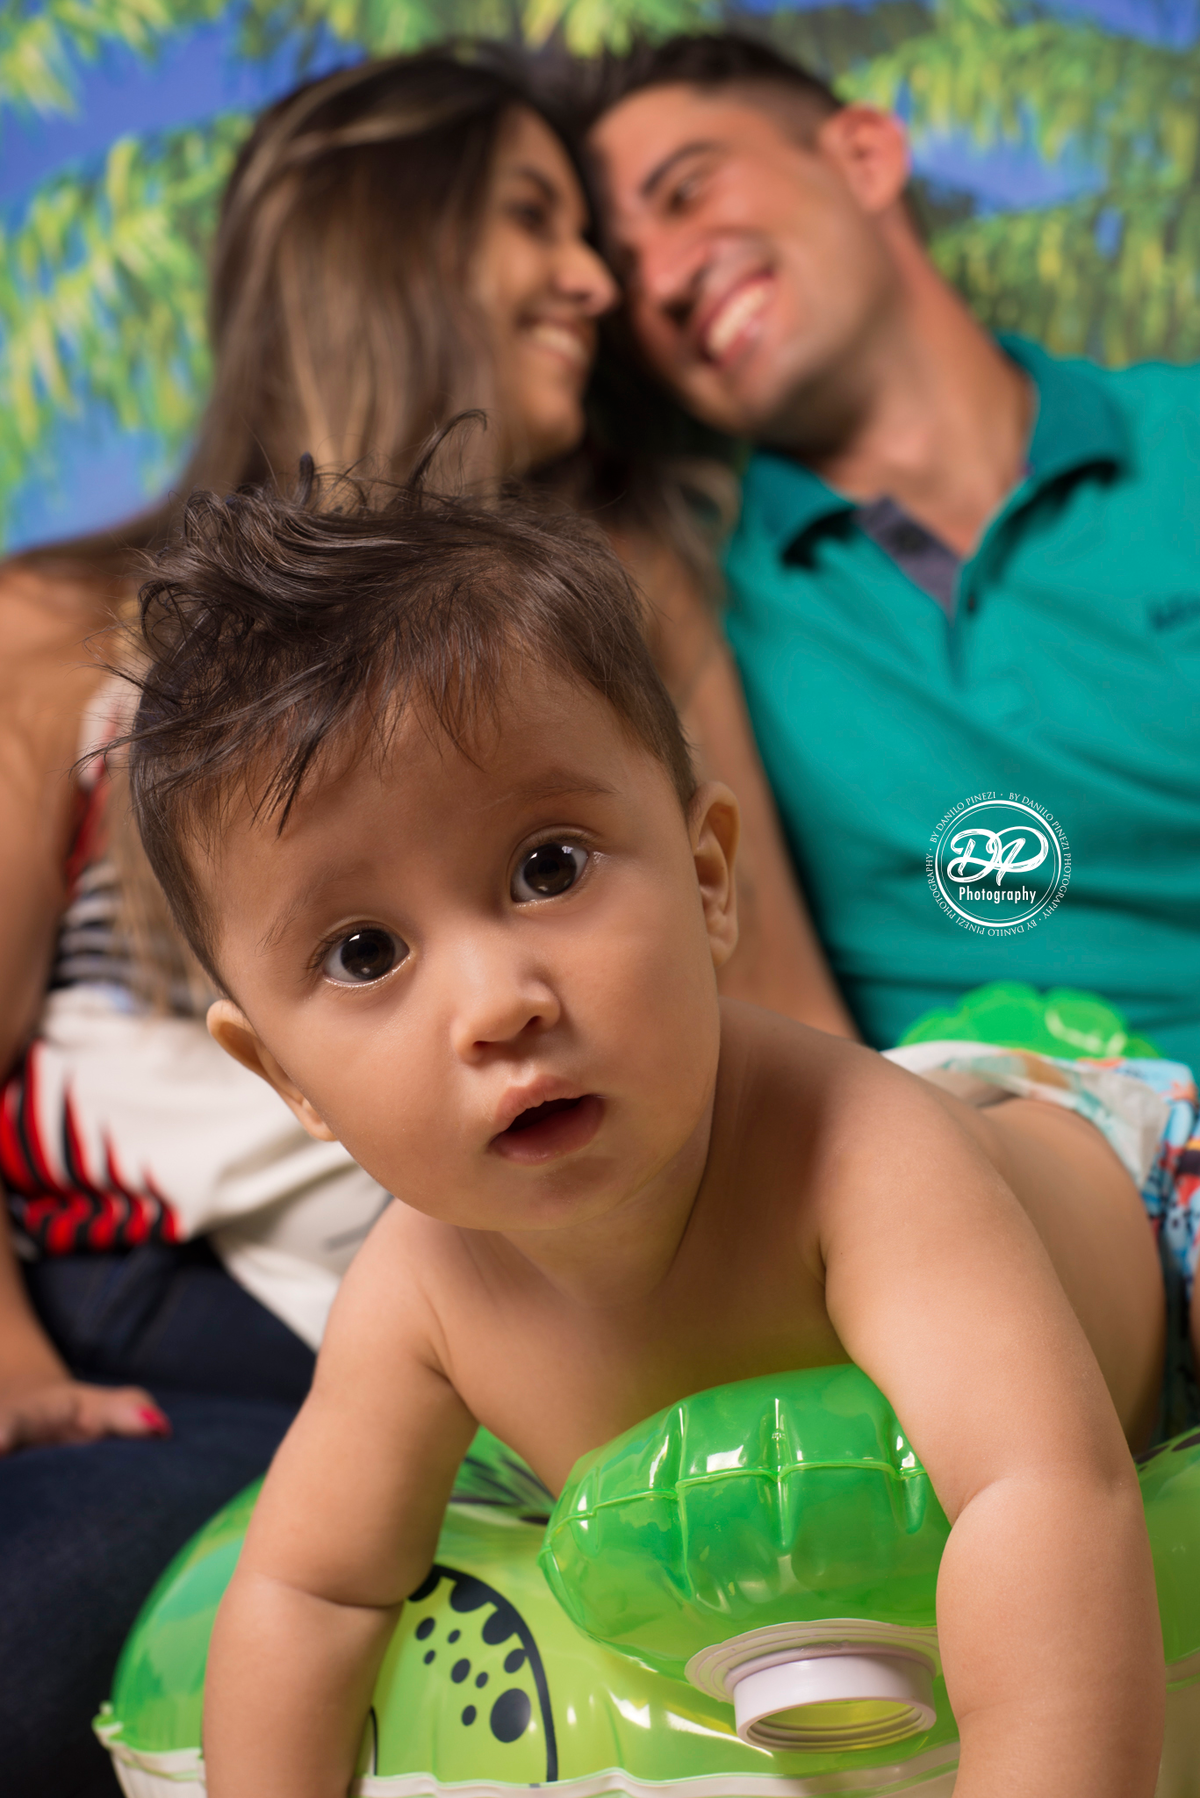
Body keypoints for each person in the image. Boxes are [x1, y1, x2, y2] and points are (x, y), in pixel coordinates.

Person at [0, 45, 851, 1798]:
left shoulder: (622, 610)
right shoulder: (59, 621)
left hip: (569, 1313)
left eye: (547, 862)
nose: (598, 283)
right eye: (535, 217)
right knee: (68, 1623)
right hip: (170, 1336)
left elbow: (790, 1025)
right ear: (369, 238)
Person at [119, 471, 1170, 1798]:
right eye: (366, 949)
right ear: (286, 1077)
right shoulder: (420, 1297)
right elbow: (309, 1590)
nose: (498, 1002)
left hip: (1122, 1178)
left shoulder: (860, 1160)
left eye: (547, 867)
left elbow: (1043, 1494)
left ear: (707, 878)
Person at [583, 34, 1200, 1068]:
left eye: (686, 193)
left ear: (866, 155)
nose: (670, 280)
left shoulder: (1182, 441)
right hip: (1031, 1183)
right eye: (625, 274)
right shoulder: (693, 612)